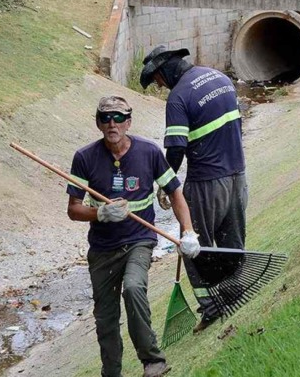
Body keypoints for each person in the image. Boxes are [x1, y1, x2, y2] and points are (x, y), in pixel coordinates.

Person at [66, 96, 201, 377]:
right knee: (105, 318)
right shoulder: (84, 158)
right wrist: (100, 213)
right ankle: (111, 372)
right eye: (105, 118)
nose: (111, 124)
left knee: (134, 288)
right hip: (102, 249)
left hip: (139, 240)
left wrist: (188, 232)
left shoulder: (149, 152)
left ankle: (153, 360)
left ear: (128, 122)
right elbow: (74, 210)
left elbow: (175, 193)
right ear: (98, 123)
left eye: (118, 118)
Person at [140, 46, 248, 332]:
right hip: (238, 176)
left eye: (158, 81)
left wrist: (167, 183)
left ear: (164, 72)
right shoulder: (219, 78)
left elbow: (175, 148)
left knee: (193, 243)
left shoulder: (178, 98)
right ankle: (235, 292)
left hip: (206, 182)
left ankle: (211, 307)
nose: (160, 87)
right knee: (230, 240)